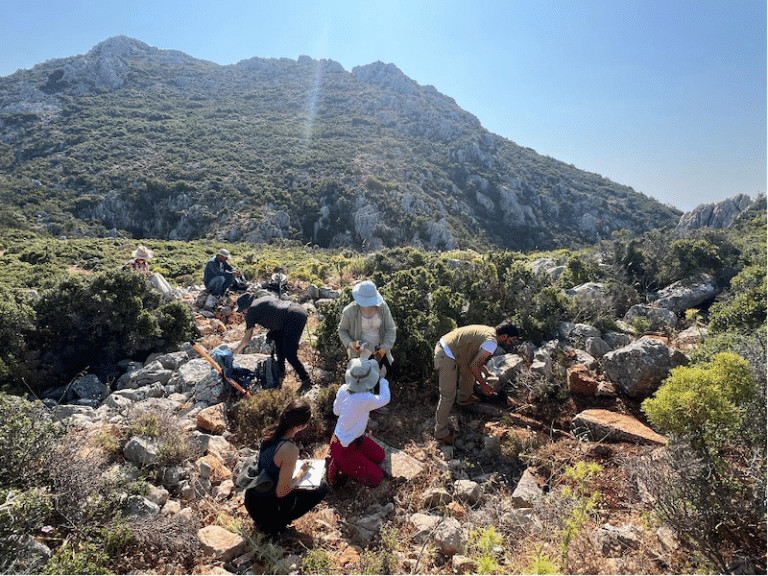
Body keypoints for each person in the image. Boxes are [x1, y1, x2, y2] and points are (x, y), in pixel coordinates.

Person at [244, 399, 328, 538]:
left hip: (252, 501)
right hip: (266, 514)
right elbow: (282, 492)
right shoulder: (289, 449)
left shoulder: (269, 433)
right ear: (302, 426)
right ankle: (278, 528)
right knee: (322, 487)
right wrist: (301, 473)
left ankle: (274, 524)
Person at [433, 321, 520, 444]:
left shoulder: (489, 331)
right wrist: (483, 385)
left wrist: (486, 373)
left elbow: (475, 358)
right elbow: (474, 365)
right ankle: (440, 433)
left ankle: (464, 398)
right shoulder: (491, 343)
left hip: (452, 348)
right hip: (446, 353)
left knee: (468, 373)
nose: (510, 343)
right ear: (504, 336)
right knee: (448, 395)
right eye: (511, 340)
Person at [328, 357, 390, 488]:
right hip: (344, 449)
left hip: (343, 440)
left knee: (380, 456)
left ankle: (350, 461)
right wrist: (382, 378)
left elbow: (336, 411)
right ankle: (339, 464)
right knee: (377, 478)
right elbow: (385, 398)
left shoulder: (343, 389)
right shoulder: (364, 398)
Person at [234, 293, 314, 393]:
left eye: (243, 310)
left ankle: (306, 380)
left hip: (293, 317)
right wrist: (272, 333)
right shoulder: (262, 299)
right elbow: (276, 314)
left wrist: (236, 351)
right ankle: (280, 373)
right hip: (297, 310)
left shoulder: (251, 311)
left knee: (289, 353)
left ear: (246, 307)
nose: (243, 312)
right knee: (278, 340)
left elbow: (247, 339)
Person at [337, 280, 396, 377]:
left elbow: (391, 328)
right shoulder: (349, 311)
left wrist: (384, 348)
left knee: (381, 378)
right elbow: (342, 330)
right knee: (363, 380)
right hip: (360, 356)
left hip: (380, 352)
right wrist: (351, 344)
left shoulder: (382, 307)